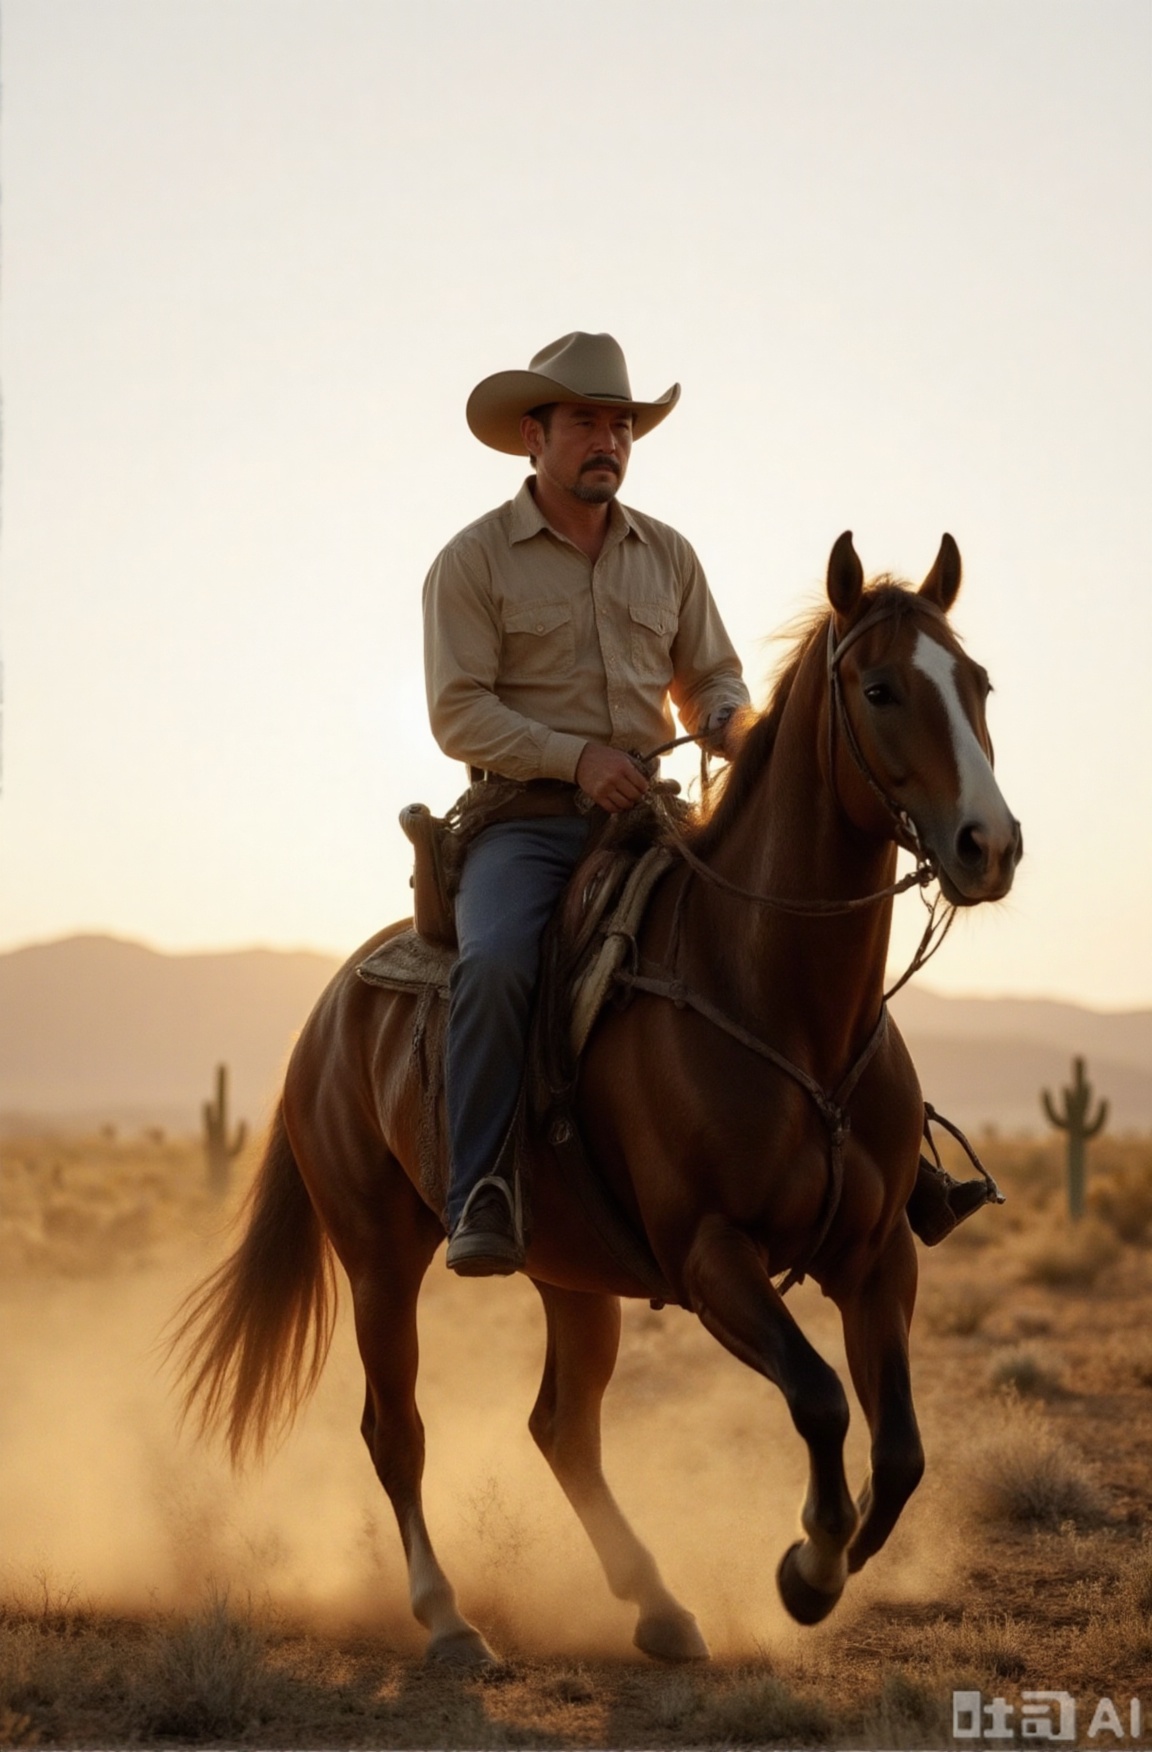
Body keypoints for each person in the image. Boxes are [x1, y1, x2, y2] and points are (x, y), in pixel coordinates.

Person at [423, 332, 750, 1275]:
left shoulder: (670, 556)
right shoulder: (474, 561)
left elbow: (712, 679)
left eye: (622, 424)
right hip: (522, 826)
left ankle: (880, 1161)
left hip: (647, 819)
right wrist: (575, 760)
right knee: (492, 968)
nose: (607, 440)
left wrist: (735, 730)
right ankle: (481, 1186)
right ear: (534, 434)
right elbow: (457, 711)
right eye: (585, 423)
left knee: (770, 924)